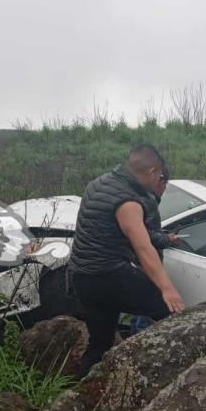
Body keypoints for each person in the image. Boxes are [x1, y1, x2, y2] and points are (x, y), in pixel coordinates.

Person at [68, 145, 185, 377]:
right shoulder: (128, 201)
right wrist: (168, 289)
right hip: (108, 274)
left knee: (100, 343)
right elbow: (143, 247)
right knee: (172, 313)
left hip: (81, 276)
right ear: (152, 172)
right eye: (161, 176)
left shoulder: (98, 183)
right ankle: (174, 375)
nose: (160, 181)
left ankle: (79, 399)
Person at [129, 167, 180, 335]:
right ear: (160, 181)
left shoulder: (138, 195)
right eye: (165, 184)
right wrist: (167, 239)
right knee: (146, 311)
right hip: (146, 263)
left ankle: (132, 338)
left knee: (139, 307)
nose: (165, 190)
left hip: (136, 262)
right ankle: (138, 342)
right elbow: (143, 234)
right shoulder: (148, 200)